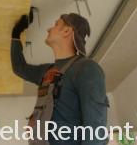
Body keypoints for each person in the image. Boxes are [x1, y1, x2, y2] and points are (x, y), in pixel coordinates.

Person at [11, 9, 110, 145]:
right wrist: (16, 34)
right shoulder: (47, 71)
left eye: (56, 24)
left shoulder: (86, 68)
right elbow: (19, 68)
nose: (48, 29)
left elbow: (96, 130)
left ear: (67, 31)